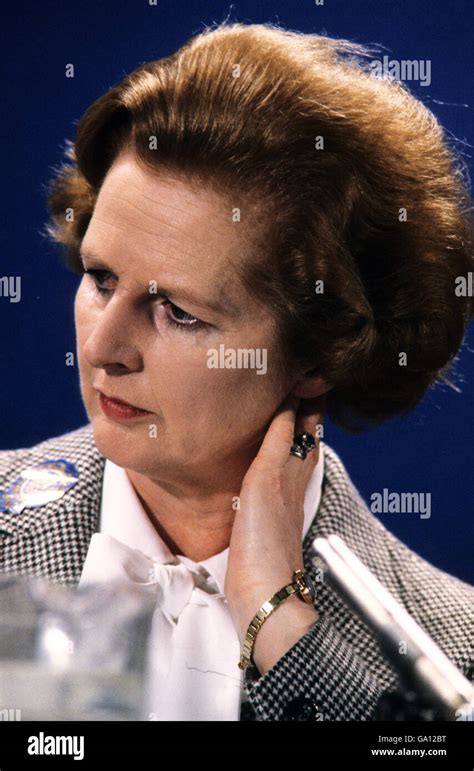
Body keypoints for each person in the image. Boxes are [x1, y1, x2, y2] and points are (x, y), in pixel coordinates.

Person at [0, 21, 472, 721]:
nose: (102, 347)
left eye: (178, 311)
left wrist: (281, 624)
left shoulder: (453, 652)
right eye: (101, 278)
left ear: (318, 354)